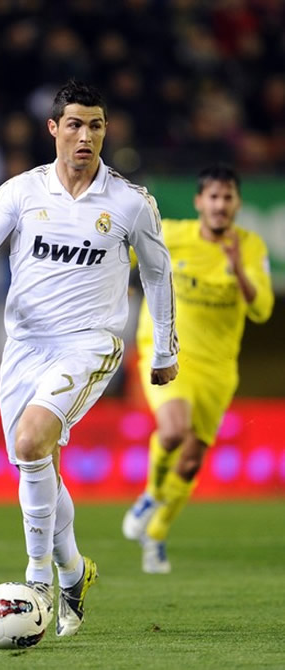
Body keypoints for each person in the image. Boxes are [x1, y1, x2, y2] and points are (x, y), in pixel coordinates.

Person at [0, 80, 178, 636]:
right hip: (24, 345)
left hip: (90, 341)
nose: (85, 136)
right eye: (74, 125)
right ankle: (74, 572)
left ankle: (35, 581)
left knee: (31, 441)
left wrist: (167, 348)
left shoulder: (129, 201)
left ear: (105, 132)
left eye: (95, 125)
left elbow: (157, 273)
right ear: (53, 129)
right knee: (39, 463)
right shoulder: (20, 192)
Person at [122, 164, 274, 574]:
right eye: (213, 196)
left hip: (219, 368)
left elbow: (261, 310)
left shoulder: (250, 246)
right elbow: (121, 254)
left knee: (191, 462)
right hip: (169, 353)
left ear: (237, 203)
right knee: (172, 431)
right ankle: (151, 496)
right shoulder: (172, 234)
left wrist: (239, 269)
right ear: (199, 202)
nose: (220, 205)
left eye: (228, 198)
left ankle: (156, 534)